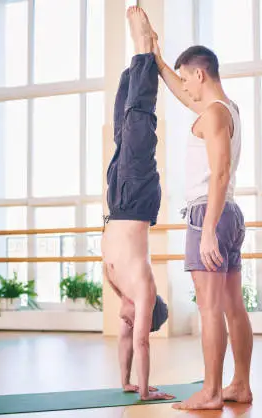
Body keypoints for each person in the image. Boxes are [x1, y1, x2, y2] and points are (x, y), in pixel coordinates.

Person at [149, 20, 254, 411]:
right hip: (230, 213)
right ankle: (239, 385)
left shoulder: (212, 114)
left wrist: (207, 229)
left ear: (200, 72)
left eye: (186, 78)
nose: (185, 87)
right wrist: (158, 60)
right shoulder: (227, 109)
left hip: (208, 215)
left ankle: (211, 392)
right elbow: (183, 97)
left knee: (210, 308)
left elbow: (221, 170)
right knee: (232, 306)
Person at [100, 6, 174, 402]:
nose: (125, 325)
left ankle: (132, 71)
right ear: (147, 311)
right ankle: (144, 47)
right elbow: (142, 343)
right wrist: (145, 392)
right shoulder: (142, 290)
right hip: (139, 199)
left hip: (117, 200)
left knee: (122, 126)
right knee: (139, 121)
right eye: (134, 322)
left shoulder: (120, 292)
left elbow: (127, 344)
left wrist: (125, 382)